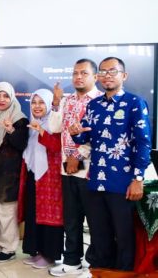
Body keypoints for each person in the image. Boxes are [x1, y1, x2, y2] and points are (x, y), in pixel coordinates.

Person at [70, 56, 152, 271]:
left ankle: (123, 274)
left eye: (113, 71)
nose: (107, 76)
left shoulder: (135, 103)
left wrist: (138, 179)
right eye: (103, 72)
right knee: (99, 235)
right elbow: (85, 137)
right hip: (96, 181)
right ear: (98, 77)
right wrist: (75, 133)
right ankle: (101, 273)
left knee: (124, 236)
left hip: (122, 183)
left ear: (124, 76)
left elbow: (143, 144)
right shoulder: (93, 105)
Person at [47, 59, 102, 276]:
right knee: (71, 219)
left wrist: (77, 155)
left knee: (95, 220)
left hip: (91, 170)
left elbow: (98, 135)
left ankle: (94, 264)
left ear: (95, 77)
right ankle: (71, 261)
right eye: (75, 73)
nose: (78, 77)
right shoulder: (67, 100)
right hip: (67, 169)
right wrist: (56, 102)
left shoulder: (100, 100)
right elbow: (54, 127)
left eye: (84, 73)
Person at [0, 81, 28, 263]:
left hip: (9, 174)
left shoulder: (19, 118)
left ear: (12, 98)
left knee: (6, 211)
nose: (1, 99)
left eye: (6, 96)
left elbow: (22, 144)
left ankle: (8, 248)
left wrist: (11, 130)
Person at [20, 89, 63, 270]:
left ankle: (50, 255)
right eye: (34, 102)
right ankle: (37, 251)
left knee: (50, 216)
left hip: (51, 177)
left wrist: (42, 132)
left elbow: (56, 146)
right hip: (34, 174)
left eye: (41, 103)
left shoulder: (55, 122)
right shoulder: (32, 124)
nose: (37, 106)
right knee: (34, 213)